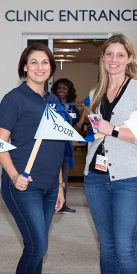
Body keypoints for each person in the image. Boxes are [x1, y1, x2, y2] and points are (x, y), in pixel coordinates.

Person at [0, 42, 66, 274]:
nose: (40, 67)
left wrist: (60, 186)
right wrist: (14, 176)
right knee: (38, 245)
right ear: (24, 68)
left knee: (37, 248)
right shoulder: (14, 99)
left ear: (51, 68)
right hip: (23, 185)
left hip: (49, 186)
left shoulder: (54, 101)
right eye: (33, 62)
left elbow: (55, 146)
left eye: (45, 62)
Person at [84, 34, 137, 274]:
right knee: (106, 246)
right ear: (103, 58)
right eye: (109, 54)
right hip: (95, 177)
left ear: (130, 59)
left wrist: (112, 130)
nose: (113, 59)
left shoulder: (136, 90)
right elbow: (97, 132)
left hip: (128, 178)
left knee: (125, 248)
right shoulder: (97, 91)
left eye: (120, 55)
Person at [51, 78, 88, 213]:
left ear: (69, 91)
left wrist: (83, 109)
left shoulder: (72, 107)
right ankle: (51, 203)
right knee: (54, 172)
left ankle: (62, 204)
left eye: (65, 88)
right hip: (54, 142)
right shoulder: (52, 103)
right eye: (59, 88)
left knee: (64, 173)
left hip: (66, 144)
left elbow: (78, 125)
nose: (61, 90)